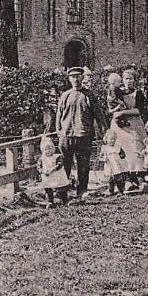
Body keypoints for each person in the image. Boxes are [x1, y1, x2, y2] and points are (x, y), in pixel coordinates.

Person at [55, 66, 106, 202]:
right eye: (73, 77)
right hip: (66, 135)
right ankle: (62, 192)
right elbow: (59, 116)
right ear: (69, 79)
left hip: (84, 135)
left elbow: (99, 116)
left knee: (83, 165)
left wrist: (104, 132)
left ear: (83, 78)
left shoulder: (89, 95)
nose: (76, 80)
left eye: (78, 76)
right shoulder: (65, 96)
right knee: (64, 164)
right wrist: (59, 132)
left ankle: (82, 190)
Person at [106, 69, 148, 191]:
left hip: (134, 124)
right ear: (122, 80)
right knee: (122, 152)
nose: (128, 81)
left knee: (136, 151)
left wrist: (123, 112)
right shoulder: (116, 92)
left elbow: (139, 110)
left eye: (131, 79)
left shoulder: (138, 93)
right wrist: (115, 112)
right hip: (120, 126)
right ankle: (127, 181)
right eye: (126, 79)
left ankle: (140, 179)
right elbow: (111, 107)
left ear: (135, 80)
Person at [36, 135, 70, 207]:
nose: (48, 151)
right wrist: (42, 171)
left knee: (61, 187)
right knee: (48, 188)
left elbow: (60, 164)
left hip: (57, 175)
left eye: (50, 149)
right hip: (47, 175)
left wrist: (53, 169)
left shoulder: (57, 157)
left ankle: (64, 201)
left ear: (53, 149)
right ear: (42, 150)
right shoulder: (42, 159)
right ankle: (50, 201)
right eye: (46, 149)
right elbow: (38, 167)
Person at [99, 124, 128, 196]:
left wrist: (121, 156)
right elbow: (100, 157)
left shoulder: (117, 147)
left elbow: (123, 155)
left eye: (114, 139)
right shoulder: (104, 148)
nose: (112, 141)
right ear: (106, 139)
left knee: (118, 178)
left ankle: (120, 191)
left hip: (117, 165)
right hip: (109, 165)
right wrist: (103, 159)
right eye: (110, 139)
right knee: (110, 179)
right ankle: (110, 191)